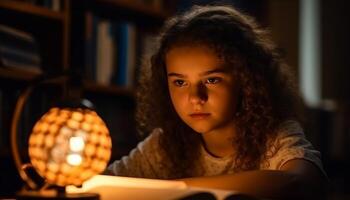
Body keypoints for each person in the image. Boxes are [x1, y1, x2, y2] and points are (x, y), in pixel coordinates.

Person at [106, 4, 328, 199]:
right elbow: (104, 183)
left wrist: (173, 190)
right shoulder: (165, 144)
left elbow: (301, 182)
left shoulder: (275, 136)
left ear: (247, 80)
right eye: (180, 82)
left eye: (212, 80)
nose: (195, 97)